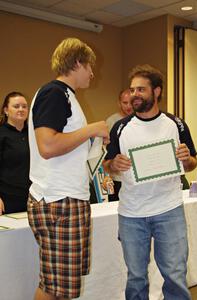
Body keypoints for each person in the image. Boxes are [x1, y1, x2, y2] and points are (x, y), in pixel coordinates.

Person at [103, 64, 197, 300]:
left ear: (156, 91)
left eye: (141, 90)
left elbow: (192, 163)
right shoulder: (120, 127)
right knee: (136, 277)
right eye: (132, 90)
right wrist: (113, 165)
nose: (134, 95)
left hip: (169, 209)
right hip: (132, 212)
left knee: (175, 275)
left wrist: (187, 160)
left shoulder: (176, 124)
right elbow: (107, 164)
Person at [27, 37, 109, 300]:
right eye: (89, 66)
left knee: (59, 286)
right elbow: (48, 146)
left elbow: (65, 147)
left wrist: (92, 137)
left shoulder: (66, 97)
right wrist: (91, 130)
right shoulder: (55, 93)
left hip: (66, 198)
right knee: (54, 287)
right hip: (58, 200)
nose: (92, 73)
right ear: (77, 63)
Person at [0, 91, 30, 215]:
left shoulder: (35, 134)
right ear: (6, 110)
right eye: (16, 106)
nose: (21, 109)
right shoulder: (1, 134)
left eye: (24, 106)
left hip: (33, 199)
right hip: (7, 200)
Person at [105, 89, 133, 201]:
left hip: (134, 177)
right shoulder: (111, 122)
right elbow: (105, 152)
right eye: (125, 103)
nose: (128, 106)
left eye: (131, 102)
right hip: (116, 178)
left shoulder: (140, 120)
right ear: (119, 103)